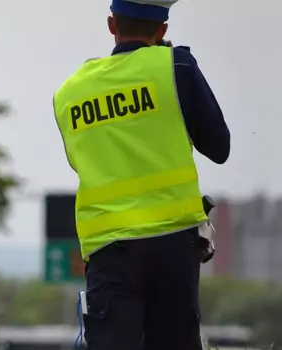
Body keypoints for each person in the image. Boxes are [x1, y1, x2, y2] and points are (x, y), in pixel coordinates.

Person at [52, 1, 230, 349]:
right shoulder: (176, 66)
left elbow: (79, 160)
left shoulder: (69, 93)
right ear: (162, 31)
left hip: (109, 250)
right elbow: (218, 147)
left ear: (111, 24)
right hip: (174, 248)